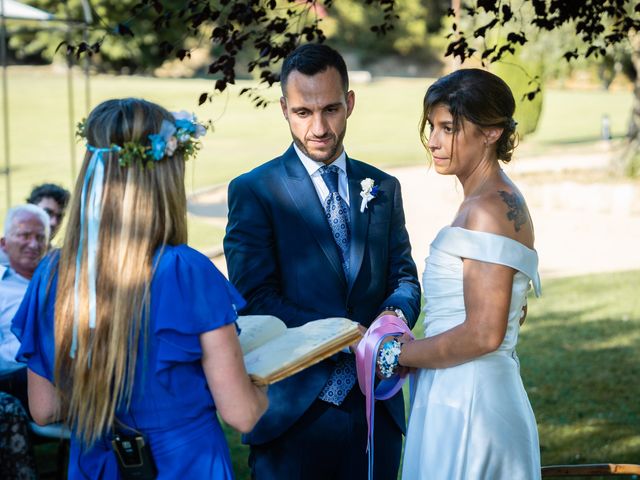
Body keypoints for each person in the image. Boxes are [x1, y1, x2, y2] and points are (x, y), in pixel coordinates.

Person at [11, 98, 268, 478]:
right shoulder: (185, 271)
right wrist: (261, 392)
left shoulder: (53, 273)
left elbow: (45, 409)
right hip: (185, 466)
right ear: (165, 179)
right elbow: (241, 414)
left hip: (96, 463)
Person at [224, 43, 421, 479]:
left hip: (377, 410)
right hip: (294, 414)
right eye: (302, 112)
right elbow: (255, 297)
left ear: (350, 103)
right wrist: (343, 335)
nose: (318, 127)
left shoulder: (382, 187)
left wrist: (392, 319)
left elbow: (404, 276)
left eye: (331, 109)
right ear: (284, 110)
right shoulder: (255, 191)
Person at [388, 68, 542, 479]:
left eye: (448, 128)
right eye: (432, 127)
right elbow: (510, 312)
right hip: (459, 387)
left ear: (491, 132)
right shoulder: (490, 199)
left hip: (472, 404)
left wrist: (392, 355)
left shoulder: (489, 209)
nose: (434, 142)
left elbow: (484, 334)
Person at [0, 204, 49, 407]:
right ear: (4, 244)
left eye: (40, 238)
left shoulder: (59, 281)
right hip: (17, 375)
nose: (33, 244)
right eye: (24, 235)